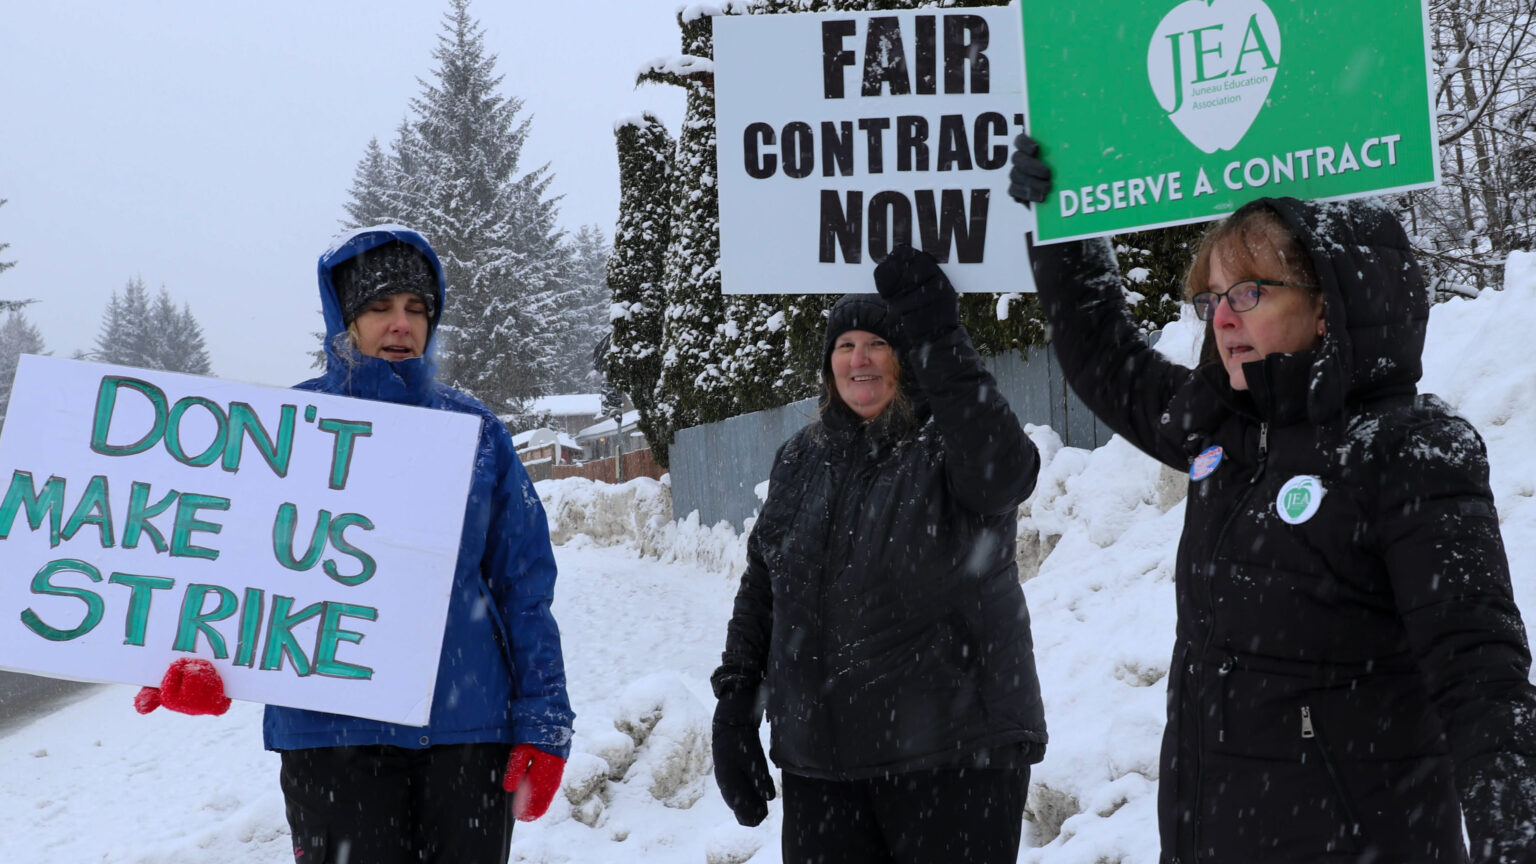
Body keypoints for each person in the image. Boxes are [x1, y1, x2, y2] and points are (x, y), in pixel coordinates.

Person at [1009, 135, 1536, 863]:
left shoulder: (1405, 452)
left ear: (1327, 307)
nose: (1222, 319)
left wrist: (1514, 836)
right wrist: (1064, 228)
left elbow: (1479, 674)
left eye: (1250, 293)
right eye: (1213, 299)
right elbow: (1105, 358)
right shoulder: (1223, 429)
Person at [134, 225, 574, 864]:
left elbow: (525, 587)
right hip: (329, 736)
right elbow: (225, 569)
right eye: (379, 307)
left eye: (417, 308)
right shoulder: (282, 433)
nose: (401, 324)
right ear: (345, 320)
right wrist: (196, 658)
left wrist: (544, 721)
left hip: (467, 731)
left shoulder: (476, 433)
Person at [710, 248, 1048, 864]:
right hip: (822, 772)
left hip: (950, 759)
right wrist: (735, 705)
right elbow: (763, 586)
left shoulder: (949, 441)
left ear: (907, 356)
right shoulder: (799, 458)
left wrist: (938, 333)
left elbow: (1005, 472)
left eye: (877, 344)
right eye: (845, 345)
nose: (858, 359)